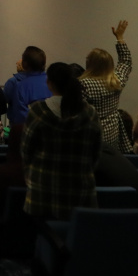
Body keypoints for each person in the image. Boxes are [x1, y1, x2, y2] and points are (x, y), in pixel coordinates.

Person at [21, 62, 102, 220]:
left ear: (50, 83)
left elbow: (26, 152)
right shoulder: (90, 113)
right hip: (80, 193)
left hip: (42, 194)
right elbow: (95, 154)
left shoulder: (38, 111)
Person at [80, 20, 133, 152]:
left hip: (91, 136)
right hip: (112, 133)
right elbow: (125, 62)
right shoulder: (116, 81)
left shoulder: (83, 84)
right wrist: (120, 38)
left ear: (90, 63)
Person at [3, 45, 49, 141]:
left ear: (24, 64)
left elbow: (21, 116)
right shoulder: (53, 82)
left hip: (29, 135)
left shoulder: (21, 86)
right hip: (52, 134)